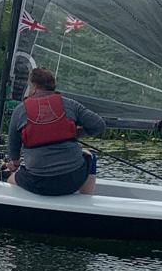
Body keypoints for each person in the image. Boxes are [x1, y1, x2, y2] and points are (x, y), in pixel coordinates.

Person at [6, 67, 105, 196]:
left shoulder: (20, 110)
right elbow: (99, 125)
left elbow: (14, 148)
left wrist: (14, 163)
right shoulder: (71, 104)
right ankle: (86, 199)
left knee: (9, 179)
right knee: (90, 157)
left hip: (39, 182)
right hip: (74, 180)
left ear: (34, 87)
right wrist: (75, 133)